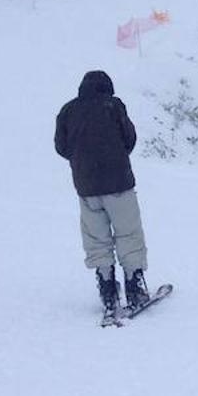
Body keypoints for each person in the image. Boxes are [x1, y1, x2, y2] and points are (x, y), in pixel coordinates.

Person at [54, 70, 149, 317]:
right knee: (128, 233)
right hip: (118, 182)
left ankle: (107, 288)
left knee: (96, 238)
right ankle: (134, 285)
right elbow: (129, 139)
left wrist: (83, 159)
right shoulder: (112, 105)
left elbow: (61, 146)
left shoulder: (68, 110)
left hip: (86, 186)